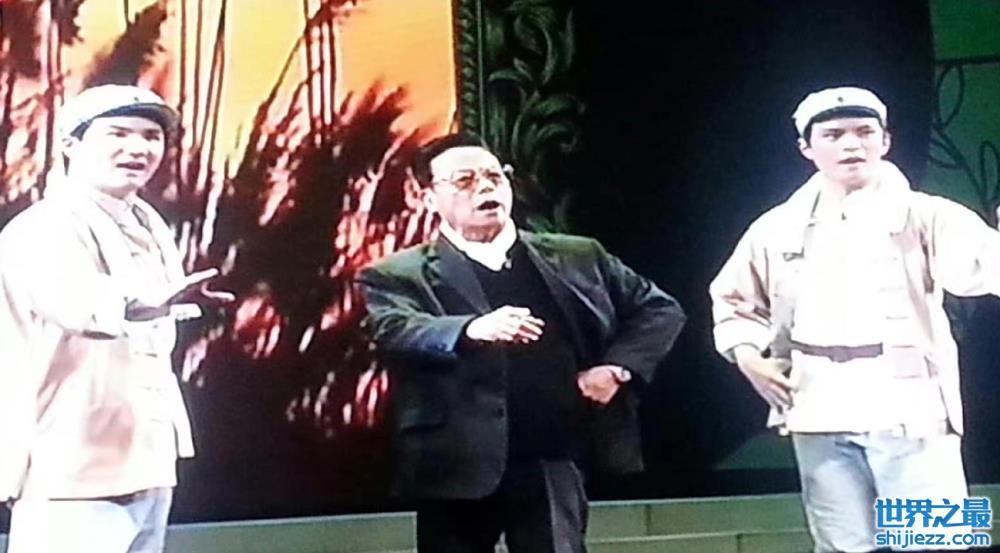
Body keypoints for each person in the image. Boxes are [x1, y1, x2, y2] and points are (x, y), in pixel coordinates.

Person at [356, 133, 686, 553]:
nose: (485, 188)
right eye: (465, 180)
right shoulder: (397, 274)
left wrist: (617, 369)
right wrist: (470, 329)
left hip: (552, 452)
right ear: (427, 198)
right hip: (455, 460)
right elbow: (392, 328)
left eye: (495, 176)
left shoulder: (577, 256)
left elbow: (659, 309)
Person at [710, 86, 1000, 552]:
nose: (851, 144)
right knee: (842, 543)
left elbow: (981, 268)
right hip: (816, 402)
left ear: (885, 141)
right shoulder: (775, 227)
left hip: (910, 404)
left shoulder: (927, 214)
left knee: (932, 540)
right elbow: (734, 300)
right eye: (834, 135)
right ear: (806, 148)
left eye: (865, 132)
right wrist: (747, 356)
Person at [0, 84, 232, 553]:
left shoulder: (146, 222)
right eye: (118, 134)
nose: (138, 148)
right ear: (71, 144)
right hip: (72, 463)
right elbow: (75, 303)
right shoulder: (44, 225)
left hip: (145, 455)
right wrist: (145, 303)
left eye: (151, 136)